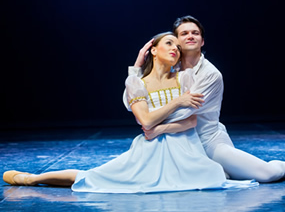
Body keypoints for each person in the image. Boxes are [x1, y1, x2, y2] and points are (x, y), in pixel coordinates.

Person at [3, 32, 257, 193]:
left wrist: (161, 127)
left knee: (215, 177)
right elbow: (144, 119)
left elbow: (191, 120)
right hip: (150, 150)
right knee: (96, 178)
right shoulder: (137, 83)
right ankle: (32, 179)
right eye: (169, 43)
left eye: (178, 48)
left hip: (185, 149)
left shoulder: (185, 78)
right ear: (153, 50)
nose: (176, 49)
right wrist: (173, 103)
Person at [126, 16, 285, 183]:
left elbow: (184, 112)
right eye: (184, 33)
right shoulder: (170, 69)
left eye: (195, 33)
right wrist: (137, 66)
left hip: (207, 141)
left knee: (267, 175)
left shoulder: (211, 74)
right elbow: (130, 101)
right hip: (177, 143)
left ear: (202, 40)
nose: (190, 36)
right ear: (176, 42)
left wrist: (154, 124)